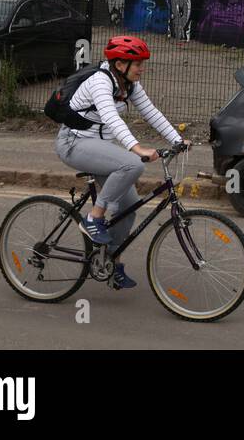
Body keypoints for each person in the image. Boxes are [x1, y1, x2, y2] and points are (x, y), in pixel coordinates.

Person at [53, 35, 184, 290]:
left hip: (99, 147)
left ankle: (110, 261)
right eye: (137, 63)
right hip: (73, 143)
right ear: (121, 64)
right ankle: (94, 218)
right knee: (133, 164)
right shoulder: (100, 82)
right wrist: (136, 148)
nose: (141, 68)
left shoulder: (129, 85)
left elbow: (151, 112)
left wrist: (178, 139)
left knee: (128, 205)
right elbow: (112, 119)